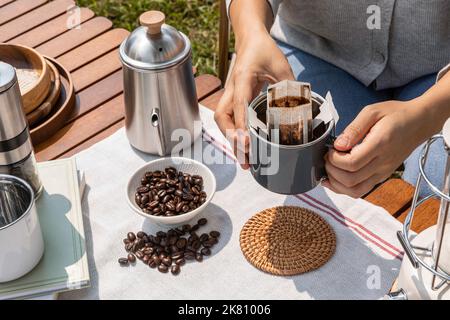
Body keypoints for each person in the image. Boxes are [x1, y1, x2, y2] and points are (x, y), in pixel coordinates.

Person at [215, 0, 450, 198]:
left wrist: (426, 115)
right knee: (284, 173)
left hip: (439, 78)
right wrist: (251, 33)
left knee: (436, 200)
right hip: (314, 51)